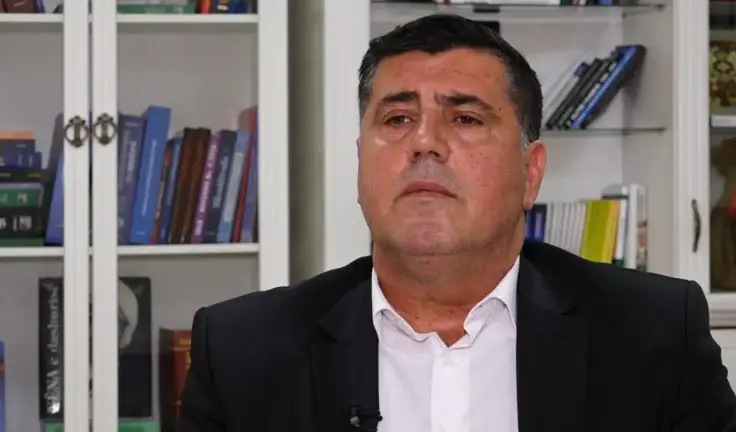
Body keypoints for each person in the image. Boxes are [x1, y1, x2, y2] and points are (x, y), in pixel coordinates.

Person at [177, 13, 736, 432]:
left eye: (465, 118)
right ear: (361, 164)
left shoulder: (653, 335)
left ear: (531, 172)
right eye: (398, 118)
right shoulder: (243, 353)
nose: (425, 142)